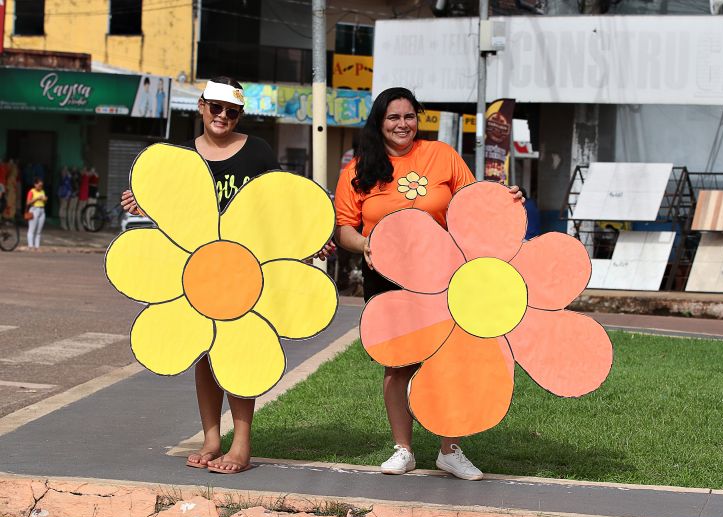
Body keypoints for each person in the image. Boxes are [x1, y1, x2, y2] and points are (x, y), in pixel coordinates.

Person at [121, 76, 336, 474]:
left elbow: (281, 203)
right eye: (216, 108)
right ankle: (210, 438)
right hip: (199, 272)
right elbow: (171, 212)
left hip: (246, 270)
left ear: (240, 114)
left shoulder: (257, 151)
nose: (223, 117)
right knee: (205, 353)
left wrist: (309, 240)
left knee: (241, 349)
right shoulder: (183, 156)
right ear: (201, 107)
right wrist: (144, 200)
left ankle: (241, 443)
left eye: (232, 111)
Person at [334, 87, 522, 481]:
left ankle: (449, 450)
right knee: (397, 362)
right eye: (393, 118)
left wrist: (505, 199)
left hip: (443, 275)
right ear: (379, 122)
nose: (402, 124)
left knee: (446, 360)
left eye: (408, 116)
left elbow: (474, 202)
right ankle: (403, 449)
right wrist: (366, 244)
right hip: (386, 277)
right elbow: (345, 227)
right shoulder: (358, 169)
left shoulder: (442, 156)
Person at [26, 178, 47, 250]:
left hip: (42, 210)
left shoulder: (42, 191)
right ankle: (30, 246)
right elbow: (28, 202)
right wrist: (37, 198)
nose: (40, 187)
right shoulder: (32, 191)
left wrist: (44, 199)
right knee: (32, 229)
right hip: (34, 209)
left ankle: (37, 246)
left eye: (41, 186)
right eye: (39, 185)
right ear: (35, 184)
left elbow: (44, 201)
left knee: (39, 230)